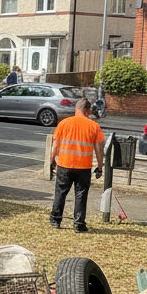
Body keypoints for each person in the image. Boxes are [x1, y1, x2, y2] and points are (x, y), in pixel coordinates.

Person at [49, 98, 105, 233]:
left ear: (76, 109)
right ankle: (79, 224)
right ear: (87, 111)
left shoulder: (64, 123)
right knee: (81, 194)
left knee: (60, 192)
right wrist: (100, 167)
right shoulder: (94, 126)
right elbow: (99, 148)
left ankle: (56, 219)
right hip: (83, 167)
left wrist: (51, 161)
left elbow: (55, 145)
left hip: (64, 164)